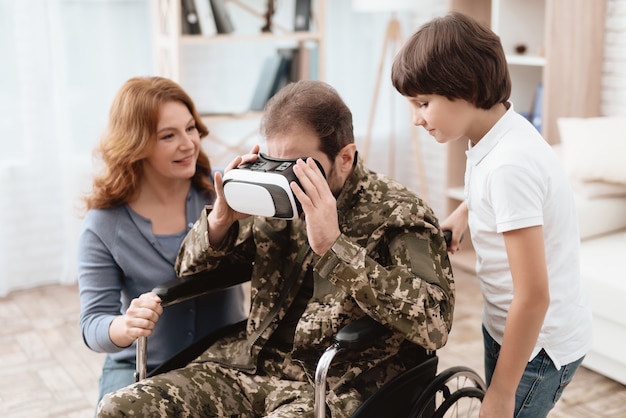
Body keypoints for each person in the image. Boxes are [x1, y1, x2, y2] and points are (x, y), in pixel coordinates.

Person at [96, 80, 455, 417]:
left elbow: (434, 325)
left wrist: (335, 248)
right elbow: (189, 270)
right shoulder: (273, 196)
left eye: (298, 166)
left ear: (344, 158)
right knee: (120, 408)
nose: (283, 178)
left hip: (334, 383)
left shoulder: (398, 212)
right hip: (247, 364)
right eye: (274, 161)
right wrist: (221, 220)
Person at [391, 12, 593, 418]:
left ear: (463, 88)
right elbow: (500, 194)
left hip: (538, 347)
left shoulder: (508, 165)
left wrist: (500, 393)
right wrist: (465, 213)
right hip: (507, 323)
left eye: (423, 103)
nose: (416, 118)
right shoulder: (496, 135)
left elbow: (534, 296)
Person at [77, 76, 247, 408]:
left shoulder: (226, 192)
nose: (188, 144)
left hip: (225, 359)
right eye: (168, 136)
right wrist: (125, 325)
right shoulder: (102, 224)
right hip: (141, 365)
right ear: (135, 144)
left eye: (190, 129)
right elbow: (92, 323)